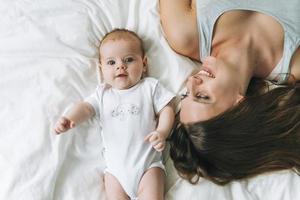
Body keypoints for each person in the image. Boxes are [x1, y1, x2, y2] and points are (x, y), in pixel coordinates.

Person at [160, 0, 300, 185]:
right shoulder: (295, 64)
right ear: (238, 106)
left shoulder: (184, 33)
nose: (192, 81)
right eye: (202, 96)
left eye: (186, 94)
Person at [54, 28, 175, 199]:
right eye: (111, 62)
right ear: (101, 68)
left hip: (148, 166)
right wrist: (69, 117)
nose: (120, 66)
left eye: (129, 59)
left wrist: (162, 131)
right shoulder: (102, 94)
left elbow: (167, 108)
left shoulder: (149, 87)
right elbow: (85, 107)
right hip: (115, 174)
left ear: (144, 63)